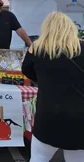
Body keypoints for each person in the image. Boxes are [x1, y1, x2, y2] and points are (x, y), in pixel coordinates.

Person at [22, 12, 84, 162]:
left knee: (39, 157)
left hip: (48, 116)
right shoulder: (82, 46)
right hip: (79, 118)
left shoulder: (36, 49)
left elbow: (28, 72)